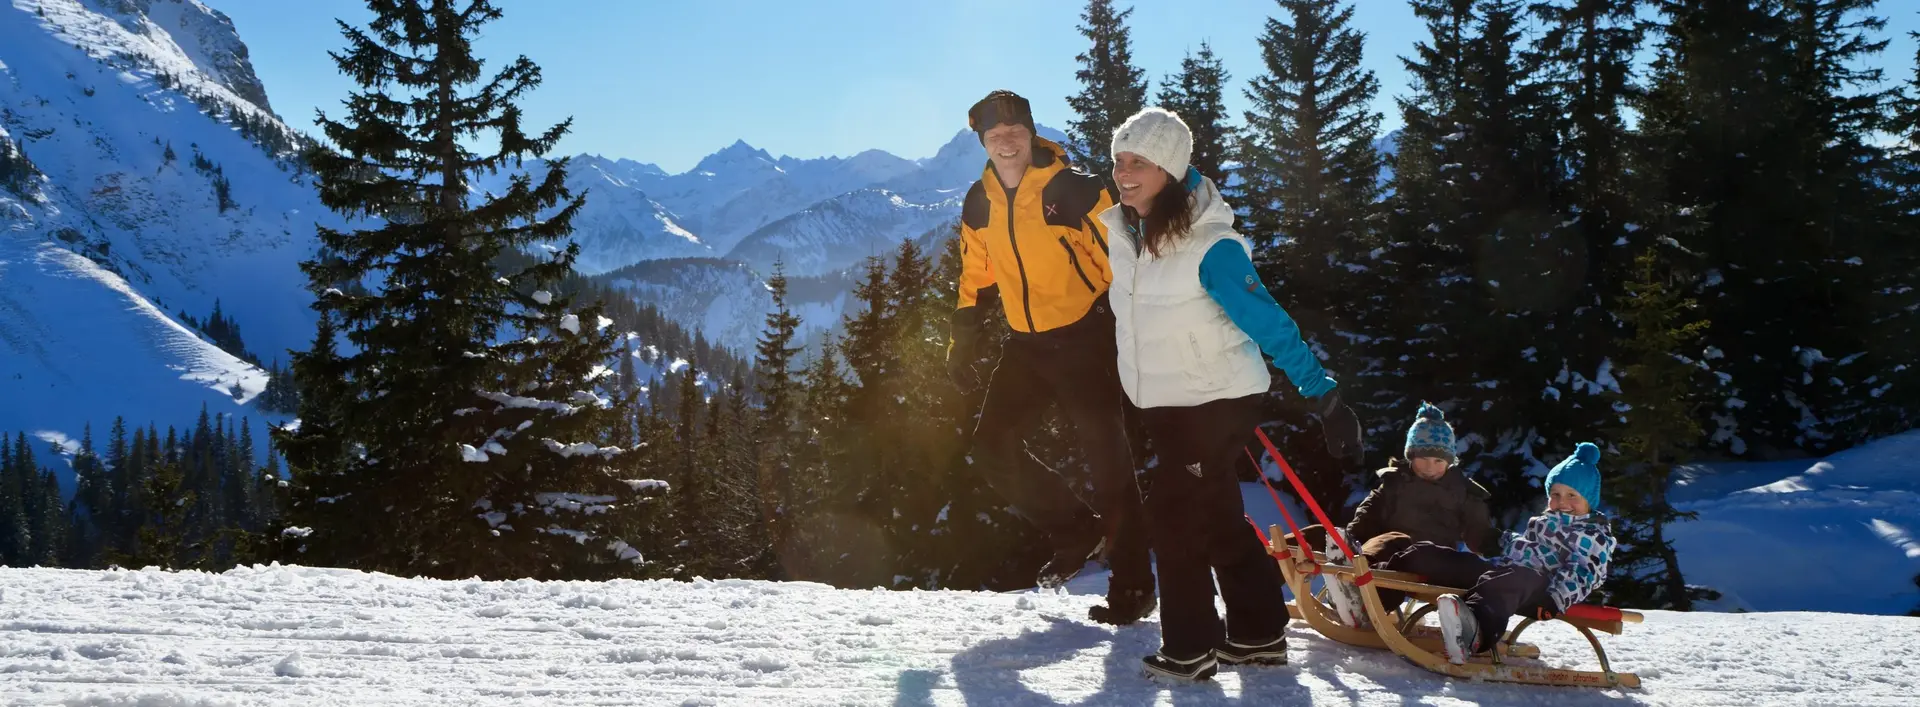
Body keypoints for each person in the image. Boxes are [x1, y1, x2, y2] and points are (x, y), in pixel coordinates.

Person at [1098, 106, 1362, 681]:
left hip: (1215, 402)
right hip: (1169, 405)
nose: (1123, 172)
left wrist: (1324, 397)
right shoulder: (1125, 230)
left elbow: (1270, 323)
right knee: (1215, 515)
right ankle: (1260, 632)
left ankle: (1189, 648)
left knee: (1173, 514)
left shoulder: (1210, 244)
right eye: (1119, 159)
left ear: (1168, 168)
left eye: (1138, 161)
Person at [946, 90, 1154, 625]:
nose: (1006, 141)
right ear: (983, 142)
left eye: (1015, 131)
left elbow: (1124, 260)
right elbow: (975, 275)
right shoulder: (979, 200)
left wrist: (1142, 323)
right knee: (990, 446)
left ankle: (1133, 587)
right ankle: (1075, 530)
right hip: (1025, 345)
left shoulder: (1076, 190)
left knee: (1110, 464)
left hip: (1085, 339)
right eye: (995, 135)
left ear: (1031, 132)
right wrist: (962, 342)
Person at [1367, 442, 1617, 664]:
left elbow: (1584, 573)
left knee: (1520, 577)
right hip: (1502, 578)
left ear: (1589, 501)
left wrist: (1556, 598)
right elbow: (1525, 547)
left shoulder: (1592, 535)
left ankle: (1474, 630)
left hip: (1541, 593)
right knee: (1435, 556)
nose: (1562, 502)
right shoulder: (1543, 522)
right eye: (1555, 494)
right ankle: (1374, 593)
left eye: (1572, 495)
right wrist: (1501, 540)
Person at [1317, 402, 1499, 627]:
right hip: (1385, 554)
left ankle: (1356, 592)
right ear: (1410, 456)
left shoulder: (1463, 491)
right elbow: (1369, 513)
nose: (1430, 467)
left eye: (1438, 461)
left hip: (1431, 559)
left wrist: (1493, 542)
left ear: (1449, 462)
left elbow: (1477, 530)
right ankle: (1279, 573)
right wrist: (1350, 536)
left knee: (1398, 542)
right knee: (1325, 534)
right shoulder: (1395, 482)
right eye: (1423, 458)